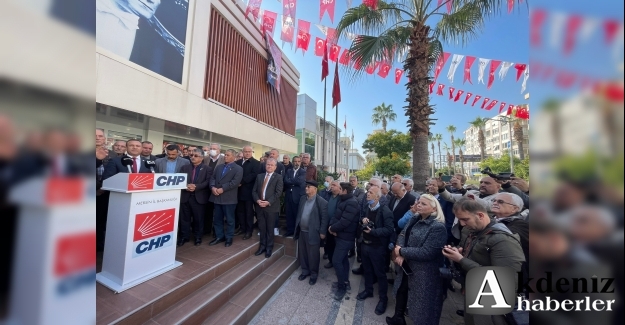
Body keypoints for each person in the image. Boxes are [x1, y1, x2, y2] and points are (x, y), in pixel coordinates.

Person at [442, 197, 525, 325]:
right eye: (460, 220)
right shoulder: (478, 232)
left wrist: (461, 259)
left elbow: (505, 281)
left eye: (465, 219)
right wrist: (460, 254)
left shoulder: (502, 239)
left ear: (480, 215)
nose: (462, 224)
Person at [388, 194, 448, 325]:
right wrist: (400, 253)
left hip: (423, 272)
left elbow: (428, 252)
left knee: (422, 306)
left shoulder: (437, 227)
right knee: (401, 290)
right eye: (419, 202)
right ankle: (398, 318)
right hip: (406, 265)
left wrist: (402, 251)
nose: (419, 205)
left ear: (434, 209)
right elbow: (403, 234)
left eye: (424, 204)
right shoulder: (414, 218)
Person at [357, 186, 393, 315]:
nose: (367, 194)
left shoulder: (385, 211)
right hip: (365, 244)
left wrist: (373, 231)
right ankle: (368, 290)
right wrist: (362, 220)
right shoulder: (367, 208)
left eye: (371, 192)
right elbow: (361, 220)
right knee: (367, 270)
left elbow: (389, 230)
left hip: (377, 247)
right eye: (368, 191)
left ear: (377, 197)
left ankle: (383, 299)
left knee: (380, 274)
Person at [328, 182, 360, 301]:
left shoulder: (351, 202)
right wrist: (332, 226)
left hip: (346, 238)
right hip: (340, 236)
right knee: (343, 260)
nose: (338, 190)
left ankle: (342, 287)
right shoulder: (344, 200)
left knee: (336, 261)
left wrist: (332, 228)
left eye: (340, 189)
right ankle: (345, 280)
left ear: (345, 190)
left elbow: (345, 222)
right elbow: (336, 216)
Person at [293, 180, 329, 285]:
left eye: (309, 187)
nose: (306, 188)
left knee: (313, 255)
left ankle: (313, 274)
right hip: (302, 231)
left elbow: (324, 219)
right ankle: (305, 271)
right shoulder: (303, 199)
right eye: (306, 186)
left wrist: (322, 232)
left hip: (313, 232)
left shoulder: (322, 202)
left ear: (315, 189)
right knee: (303, 253)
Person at [208, 149, 243, 247]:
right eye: (225, 155)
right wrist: (213, 187)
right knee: (217, 219)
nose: (225, 156)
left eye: (228, 155)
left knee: (229, 220)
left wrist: (222, 189)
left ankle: (229, 237)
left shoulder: (238, 168)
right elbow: (212, 178)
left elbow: (235, 182)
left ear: (234, 157)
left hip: (228, 198)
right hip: (216, 197)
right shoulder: (219, 167)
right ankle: (219, 236)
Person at [178, 149, 213, 246]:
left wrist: (196, 187)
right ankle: (184, 237)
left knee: (198, 219)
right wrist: (186, 186)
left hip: (199, 198)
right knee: (184, 219)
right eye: (192, 155)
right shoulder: (184, 167)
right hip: (185, 196)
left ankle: (198, 237)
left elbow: (208, 182)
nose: (193, 157)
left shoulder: (207, 169)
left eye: (196, 155)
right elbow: (180, 179)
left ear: (201, 158)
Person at [252, 158, 283, 258]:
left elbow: (278, 193)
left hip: (271, 207)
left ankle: (269, 247)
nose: (269, 166)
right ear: (265, 166)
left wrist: (268, 202)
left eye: (271, 165)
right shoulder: (259, 176)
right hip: (259, 206)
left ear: (275, 167)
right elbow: (254, 191)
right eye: (267, 165)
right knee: (262, 228)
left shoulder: (278, 177)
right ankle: (262, 247)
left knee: (270, 228)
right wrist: (258, 200)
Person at [235, 145, 260, 239]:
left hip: (249, 192)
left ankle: (249, 231)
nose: (247, 153)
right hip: (238, 191)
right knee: (240, 211)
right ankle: (242, 228)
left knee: (249, 212)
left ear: (252, 152)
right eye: (245, 151)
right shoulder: (237, 162)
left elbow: (253, 175)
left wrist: (241, 182)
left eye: (249, 151)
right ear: (243, 152)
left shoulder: (256, 163)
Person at [283, 156, 306, 237]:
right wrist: (293, 182)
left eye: (298, 161)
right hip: (289, 195)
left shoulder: (303, 171)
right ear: (292, 162)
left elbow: (300, 181)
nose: (296, 163)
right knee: (289, 214)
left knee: (296, 214)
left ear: (300, 162)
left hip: (297, 196)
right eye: (295, 161)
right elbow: (285, 181)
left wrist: (291, 181)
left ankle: (296, 232)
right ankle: (290, 231)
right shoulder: (288, 171)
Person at [323, 180, 342, 269]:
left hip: (336, 226)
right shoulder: (327, 195)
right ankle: (331, 261)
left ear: (339, 188)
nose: (332, 186)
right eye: (331, 185)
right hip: (327, 224)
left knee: (336, 245)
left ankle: (337, 262)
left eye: (334, 185)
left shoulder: (341, 198)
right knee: (329, 244)